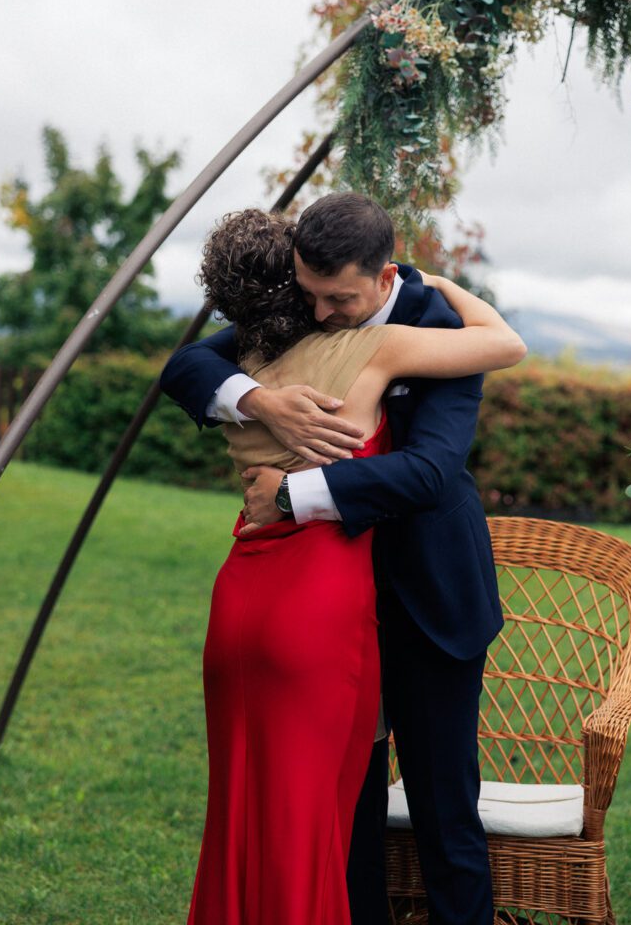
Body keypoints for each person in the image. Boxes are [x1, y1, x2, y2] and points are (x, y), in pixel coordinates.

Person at [162, 194, 526, 925]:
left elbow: (429, 472)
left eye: (340, 298)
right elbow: (186, 366)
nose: (321, 313)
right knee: (343, 810)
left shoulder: (435, 326)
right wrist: (262, 404)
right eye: (311, 294)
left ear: (385, 277)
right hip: (330, 612)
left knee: (443, 813)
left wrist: (293, 495)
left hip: (428, 599)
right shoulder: (309, 302)